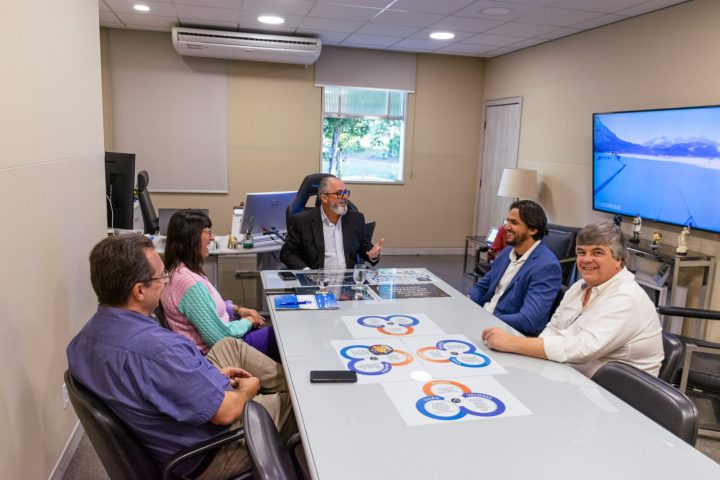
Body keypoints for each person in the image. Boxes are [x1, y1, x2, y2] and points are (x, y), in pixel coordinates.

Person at [67, 235, 295, 478]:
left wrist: (207, 376)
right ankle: (295, 396)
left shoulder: (80, 344)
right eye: (161, 277)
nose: (166, 282)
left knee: (229, 346)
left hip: (171, 423)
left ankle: (290, 384)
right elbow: (226, 413)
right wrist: (249, 390)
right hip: (208, 451)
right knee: (296, 407)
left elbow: (149, 384)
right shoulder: (160, 351)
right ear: (139, 291)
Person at [482, 221, 663, 378]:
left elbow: (583, 348)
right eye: (581, 252)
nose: (587, 259)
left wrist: (513, 343)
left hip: (614, 396)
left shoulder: (626, 297)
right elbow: (553, 329)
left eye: (597, 252)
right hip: (570, 376)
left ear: (619, 259)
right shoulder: (579, 287)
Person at [161, 209, 279, 361]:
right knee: (279, 336)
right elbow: (220, 337)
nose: (212, 237)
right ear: (191, 237)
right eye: (207, 232)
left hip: (223, 342)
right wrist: (249, 321)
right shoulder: (188, 283)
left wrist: (237, 310)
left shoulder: (180, 270)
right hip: (219, 353)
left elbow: (207, 307)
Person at [469, 200, 562, 336]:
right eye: (507, 221)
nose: (506, 227)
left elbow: (529, 321)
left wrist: (488, 318)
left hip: (506, 331)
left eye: (514, 223)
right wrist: (469, 301)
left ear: (533, 230)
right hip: (483, 319)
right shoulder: (507, 252)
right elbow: (481, 287)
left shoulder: (547, 267)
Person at [280, 175, 384, 270]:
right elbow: (287, 253)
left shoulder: (356, 219)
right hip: (317, 280)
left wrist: (373, 255)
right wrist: (307, 272)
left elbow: (365, 248)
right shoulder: (303, 221)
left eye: (346, 192)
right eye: (339, 193)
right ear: (324, 198)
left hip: (348, 280)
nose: (345, 197)